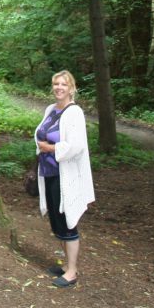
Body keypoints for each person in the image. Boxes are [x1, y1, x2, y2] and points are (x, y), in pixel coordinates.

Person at [34, 70, 96, 288]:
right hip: (49, 172)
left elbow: (76, 146)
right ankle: (66, 265)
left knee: (67, 220)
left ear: (72, 88)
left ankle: (71, 272)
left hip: (65, 175)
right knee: (56, 221)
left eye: (64, 84)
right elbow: (41, 134)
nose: (59, 88)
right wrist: (42, 147)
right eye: (56, 84)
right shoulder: (51, 109)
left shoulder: (74, 112)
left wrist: (51, 148)